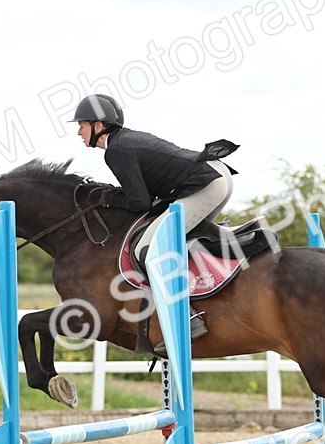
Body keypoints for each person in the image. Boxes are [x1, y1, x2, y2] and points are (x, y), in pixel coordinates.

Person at [71, 93, 238, 343]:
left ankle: (188, 317)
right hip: (217, 175)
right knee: (180, 237)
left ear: (98, 126)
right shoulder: (124, 142)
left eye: (81, 125)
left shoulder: (116, 151)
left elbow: (139, 202)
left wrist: (108, 200)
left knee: (147, 249)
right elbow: (142, 194)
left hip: (206, 185)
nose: (79, 132)